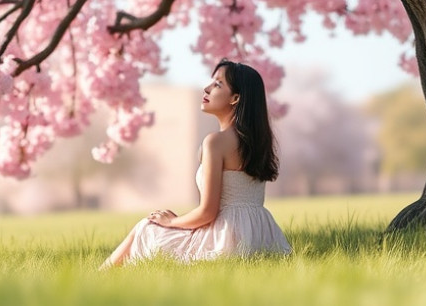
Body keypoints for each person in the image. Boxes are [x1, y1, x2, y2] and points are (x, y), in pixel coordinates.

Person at [100, 59, 291, 268]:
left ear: (235, 98)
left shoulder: (216, 143)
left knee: (146, 226)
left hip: (226, 238)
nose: (207, 89)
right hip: (261, 234)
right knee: (148, 228)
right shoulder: (258, 141)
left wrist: (171, 222)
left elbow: (207, 213)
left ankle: (97, 278)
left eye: (218, 84)